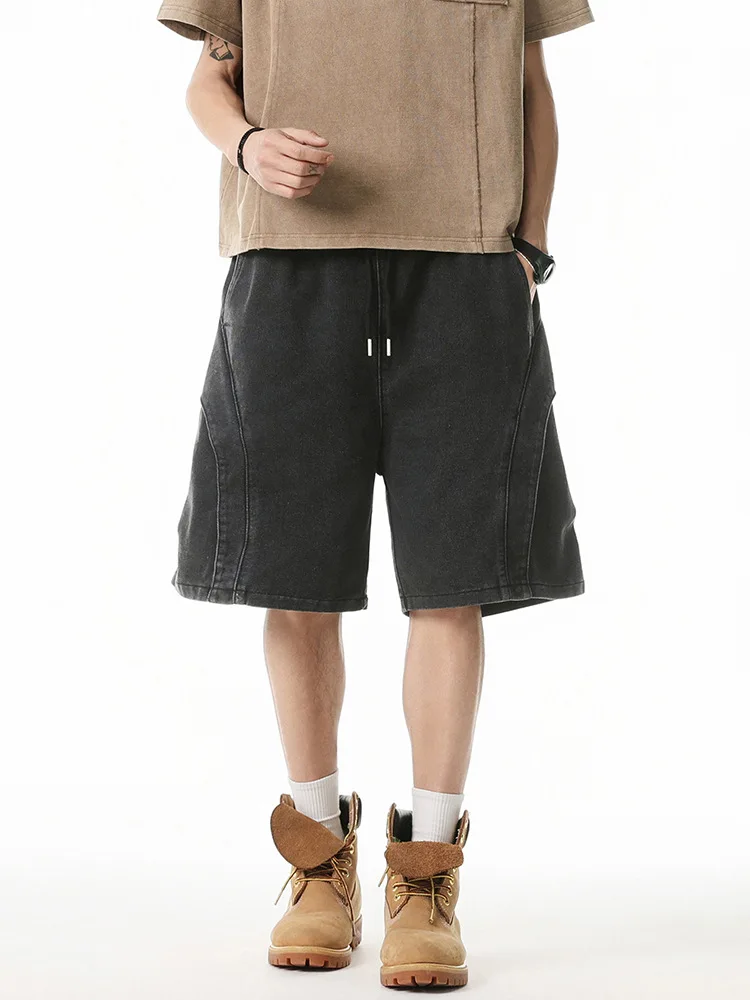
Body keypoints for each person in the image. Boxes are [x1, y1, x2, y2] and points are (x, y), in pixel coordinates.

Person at [156, 0, 593, 987]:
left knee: (453, 579)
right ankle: (319, 860)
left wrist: (530, 246)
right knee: (295, 577)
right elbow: (208, 79)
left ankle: (427, 873)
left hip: (469, 267)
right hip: (290, 263)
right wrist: (248, 146)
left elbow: (530, 82)